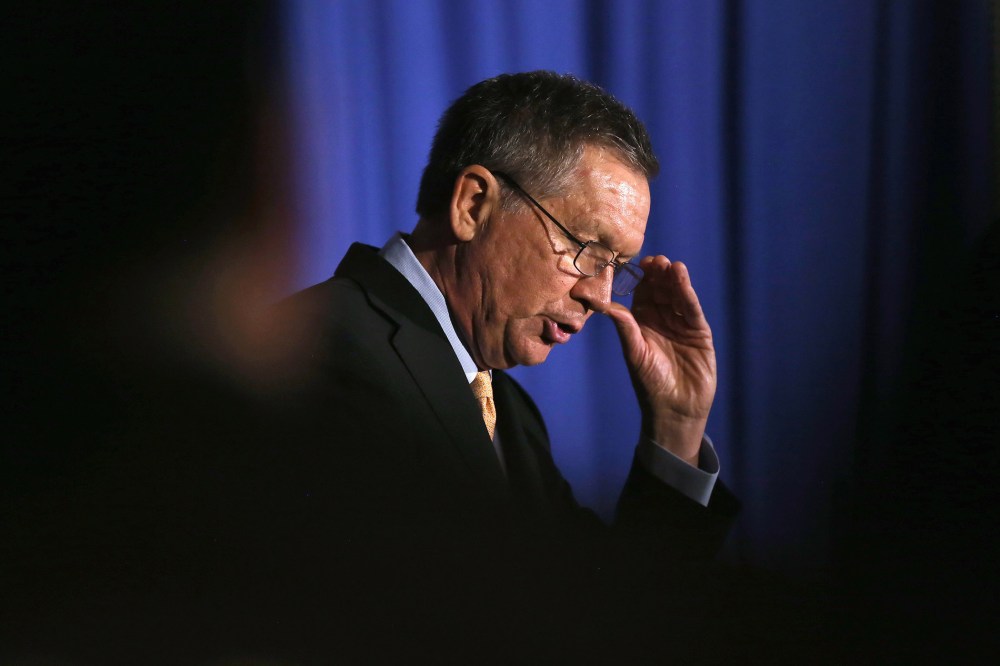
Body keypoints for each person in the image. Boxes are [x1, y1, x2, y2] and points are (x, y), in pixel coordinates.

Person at [261, 70, 741, 660]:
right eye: (586, 248)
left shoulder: (506, 410)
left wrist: (676, 427)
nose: (601, 294)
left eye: (619, 264)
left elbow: (614, 620)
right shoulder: (314, 356)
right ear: (473, 204)